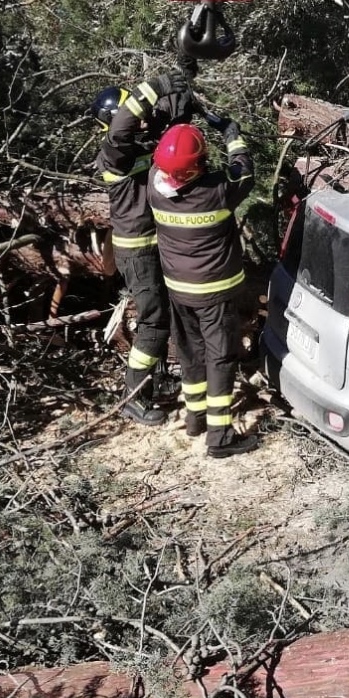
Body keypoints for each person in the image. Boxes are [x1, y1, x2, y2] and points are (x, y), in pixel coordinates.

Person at [148, 116, 258, 458]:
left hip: (178, 290)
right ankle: (220, 436)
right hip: (216, 291)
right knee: (220, 358)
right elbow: (244, 168)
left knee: (190, 353)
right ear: (200, 162)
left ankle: (194, 418)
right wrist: (232, 134)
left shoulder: (154, 183)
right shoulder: (217, 190)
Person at [91, 72, 191, 424]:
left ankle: (158, 379)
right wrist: (154, 87)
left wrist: (184, 77)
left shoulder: (139, 142)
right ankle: (134, 396)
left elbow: (173, 119)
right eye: (132, 113)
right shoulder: (113, 151)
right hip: (136, 251)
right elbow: (124, 126)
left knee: (164, 313)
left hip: (155, 245)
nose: (142, 120)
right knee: (153, 321)